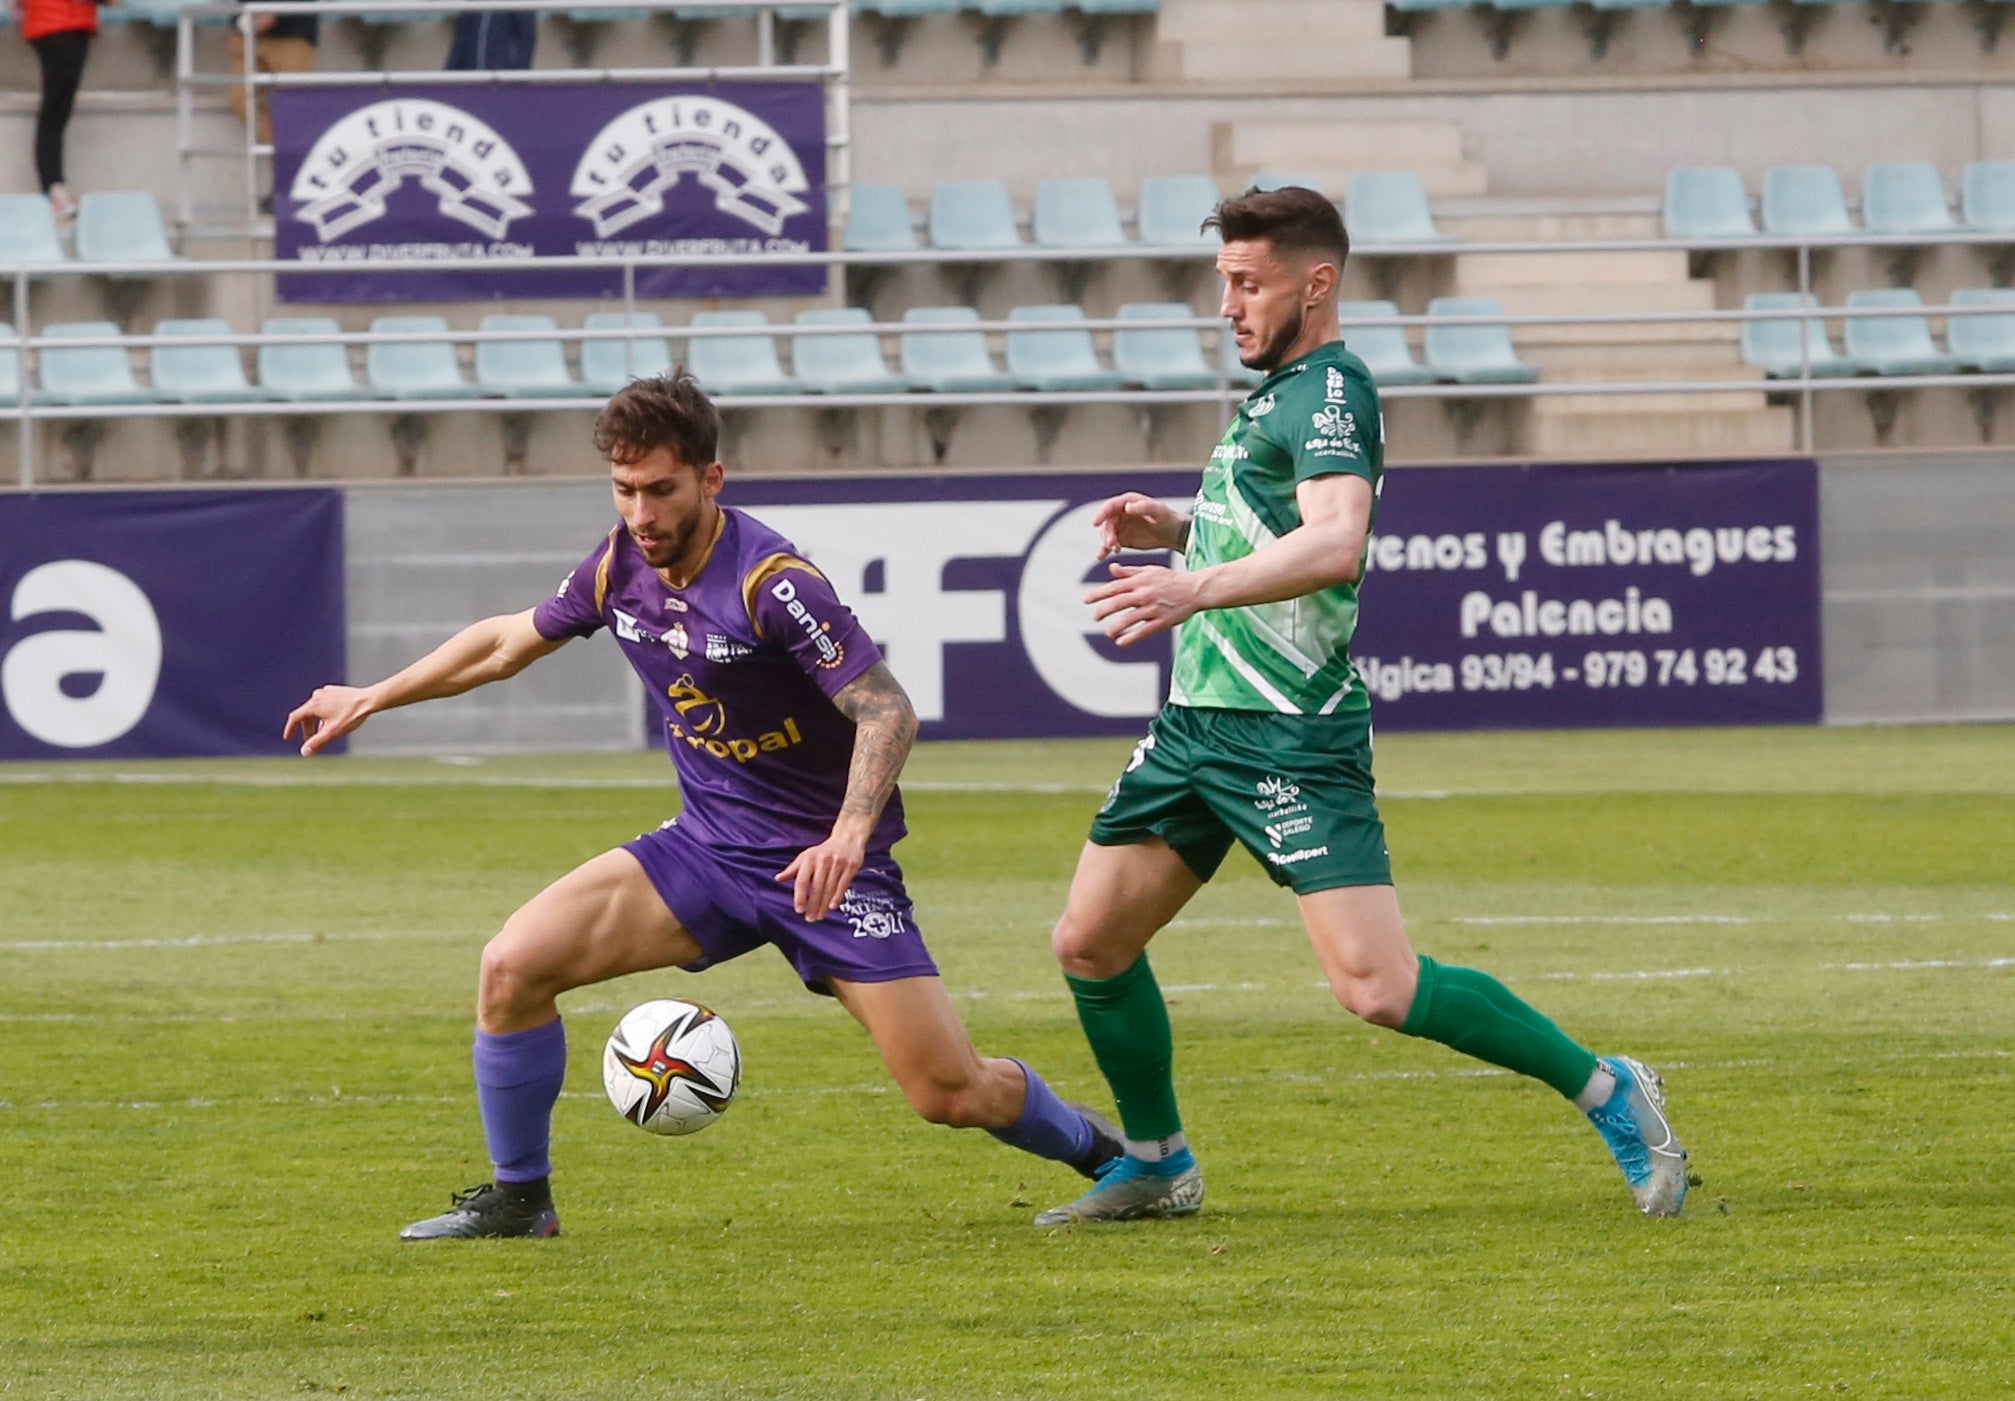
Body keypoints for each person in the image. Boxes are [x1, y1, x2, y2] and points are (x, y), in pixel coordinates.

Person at [284, 370, 1123, 1240]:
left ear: (710, 480)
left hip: (824, 869)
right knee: (512, 965)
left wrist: (844, 837)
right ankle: (519, 1199)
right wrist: (375, 694)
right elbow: (506, 642)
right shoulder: (617, 565)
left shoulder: (773, 581)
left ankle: (1106, 1154)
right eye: (624, 490)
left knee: (950, 1093)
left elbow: (886, 708)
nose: (641, 513)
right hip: (707, 850)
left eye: (660, 490)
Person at [1034, 185, 1691, 1227]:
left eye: (1246, 284)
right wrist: (1177, 527)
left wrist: (1190, 585)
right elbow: (1272, 524)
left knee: (1376, 988)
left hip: (1287, 734)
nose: (1226, 305)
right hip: (1200, 728)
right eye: (1222, 284)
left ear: (1316, 282)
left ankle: (1609, 1087)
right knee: (1090, 942)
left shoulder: (1330, 391)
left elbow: (1335, 541)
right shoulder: (1278, 394)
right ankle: (1158, 1162)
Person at [16, 0, 97, 224]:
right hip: (64, 22)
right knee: (55, 112)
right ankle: (53, 186)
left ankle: (53, 185)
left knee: (55, 111)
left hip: (45, 21)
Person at [229, 0, 318, 153]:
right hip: (247, 30)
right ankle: (285, 155)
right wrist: (235, 24)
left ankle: (287, 158)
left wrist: (276, 13)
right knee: (240, 98)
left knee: (292, 105)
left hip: (293, 34)